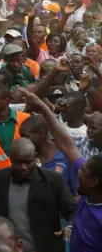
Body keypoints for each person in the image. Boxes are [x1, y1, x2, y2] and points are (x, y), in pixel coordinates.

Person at [18, 87, 102, 251]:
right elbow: (66, 146)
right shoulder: (89, 195)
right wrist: (43, 107)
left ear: (94, 182)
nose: (78, 171)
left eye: (82, 172)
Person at [0, 138, 75, 252]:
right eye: (18, 162)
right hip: (9, 248)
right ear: (10, 158)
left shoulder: (52, 180)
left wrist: (70, 226)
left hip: (45, 247)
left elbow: (73, 210)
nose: (23, 167)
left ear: (35, 157)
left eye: (28, 162)